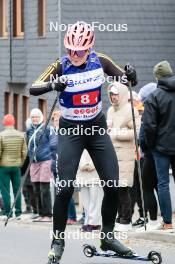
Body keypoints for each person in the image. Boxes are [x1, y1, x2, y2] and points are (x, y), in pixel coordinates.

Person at [30, 21, 137, 263]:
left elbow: (128, 80)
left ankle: (107, 236)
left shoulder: (101, 61)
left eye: (79, 51)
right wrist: (52, 84)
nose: (74, 55)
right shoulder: (61, 64)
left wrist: (131, 75)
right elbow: (33, 88)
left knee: (112, 184)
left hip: (96, 128)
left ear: (89, 48)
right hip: (70, 131)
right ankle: (58, 241)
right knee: (65, 187)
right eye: (70, 49)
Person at [143, 60, 175, 230]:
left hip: (161, 148)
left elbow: (149, 126)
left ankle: (168, 222)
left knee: (162, 184)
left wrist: (150, 145)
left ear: (157, 77)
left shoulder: (154, 96)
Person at [107, 82, 140, 232]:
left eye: (116, 94)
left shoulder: (130, 110)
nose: (113, 97)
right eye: (111, 94)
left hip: (125, 154)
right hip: (112, 154)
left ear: (122, 94)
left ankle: (126, 219)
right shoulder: (110, 111)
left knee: (123, 189)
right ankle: (118, 218)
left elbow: (136, 132)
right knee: (113, 188)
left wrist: (117, 133)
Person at [138, 82, 162, 231]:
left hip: (150, 154)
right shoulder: (164, 108)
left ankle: (153, 221)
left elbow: (143, 136)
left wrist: (145, 148)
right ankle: (166, 221)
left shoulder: (149, 110)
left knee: (147, 188)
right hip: (164, 153)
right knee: (161, 187)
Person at [50, 110, 77, 225]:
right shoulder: (52, 133)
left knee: (66, 192)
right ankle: (63, 216)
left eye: (59, 120)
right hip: (55, 166)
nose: (57, 122)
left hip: (65, 166)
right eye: (55, 120)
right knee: (59, 193)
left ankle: (72, 216)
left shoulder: (66, 132)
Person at [27, 108, 52, 222]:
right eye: (32, 117)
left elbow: (52, 143)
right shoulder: (29, 130)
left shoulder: (46, 128)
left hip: (45, 160)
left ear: (41, 117)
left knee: (44, 188)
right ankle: (40, 212)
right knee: (36, 188)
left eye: (36, 117)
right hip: (34, 162)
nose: (35, 119)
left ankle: (47, 214)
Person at [0, 114, 27, 220]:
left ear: (4, 123)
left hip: (3, 166)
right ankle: (19, 213)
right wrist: (20, 162)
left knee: (5, 190)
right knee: (17, 189)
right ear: (14, 122)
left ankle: (8, 213)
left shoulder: (1, 135)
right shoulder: (20, 135)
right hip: (16, 166)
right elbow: (24, 151)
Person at [77, 149, 103, 232]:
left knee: (96, 199)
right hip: (82, 172)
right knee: (86, 201)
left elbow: (101, 152)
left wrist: (92, 165)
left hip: (96, 172)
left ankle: (95, 223)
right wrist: (83, 165)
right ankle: (88, 222)